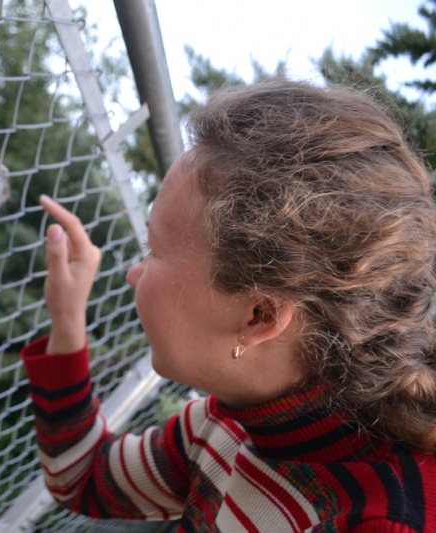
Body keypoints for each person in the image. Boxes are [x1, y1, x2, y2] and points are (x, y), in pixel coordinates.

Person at [22, 80, 436, 531]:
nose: (133, 273)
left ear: (259, 317)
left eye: (154, 249)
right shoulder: (226, 424)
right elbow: (85, 477)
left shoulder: (378, 517)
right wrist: (66, 320)